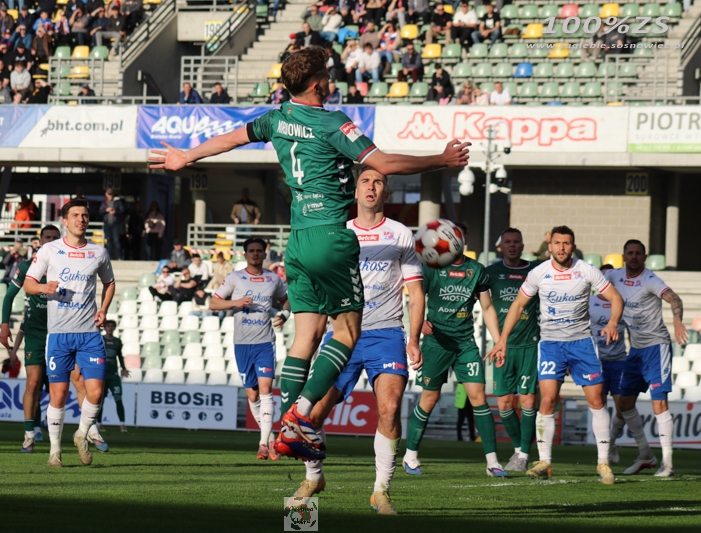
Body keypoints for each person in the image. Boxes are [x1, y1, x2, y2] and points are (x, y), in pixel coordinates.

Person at [149, 45, 469, 462]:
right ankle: (299, 416)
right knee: (348, 333)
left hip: (296, 242)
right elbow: (385, 164)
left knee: (306, 337)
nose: (332, 80)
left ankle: (287, 427)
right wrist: (441, 159)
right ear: (318, 84)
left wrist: (186, 155)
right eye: (328, 75)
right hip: (330, 237)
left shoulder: (277, 118)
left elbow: (231, 138)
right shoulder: (333, 123)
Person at [296, 167, 424, 514]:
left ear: (386, 193)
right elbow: (318, 287)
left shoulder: (400, 234)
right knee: (313, 413)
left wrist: (413, 339)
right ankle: (313, 478)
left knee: (390, 408)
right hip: (343, 333)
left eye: (378, 182)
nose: (371, 186)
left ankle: (381, 492)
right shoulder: (338, 232)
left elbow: (415, 292)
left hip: (387, 334)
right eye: (365, 181)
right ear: (355, 192)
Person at [487, 226, 624, 484]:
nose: (562, 248)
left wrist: (613, 322)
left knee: (597, 400)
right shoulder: (539, 273)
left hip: (581, 343)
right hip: (551, 344)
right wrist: (502, 339)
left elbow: (616, 298)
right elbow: (518, 305)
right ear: (550, 246)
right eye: (557, 243)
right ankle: (545, 463)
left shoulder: (586, 270)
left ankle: (603, 462)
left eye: (566, 243)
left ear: (573, 246)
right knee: (547, 400)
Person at [402, 222, 507, 478]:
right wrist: (419, 323)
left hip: (465, 343)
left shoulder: (476, 270)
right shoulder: (431, 268)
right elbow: (415, 300)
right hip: (436, 343)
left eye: (460, 236)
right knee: (429, 399)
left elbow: (488, 307)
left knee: (479, 398)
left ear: (464, 239)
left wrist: (499, 340)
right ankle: (410, 456)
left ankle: (493, 463)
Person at [23, 199, 116, 468]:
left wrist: (104, 309)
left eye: (84, 215)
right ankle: (55, 451)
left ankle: (81, 434)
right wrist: (44, 288)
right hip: (59, 334)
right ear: (65, 221)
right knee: (59, 393)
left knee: (95, 392)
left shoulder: (98, 252)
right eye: (75, 215)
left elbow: (109, 283)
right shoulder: (49, 249)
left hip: (89, 333)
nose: (81, 219)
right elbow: (29, 284)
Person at [605, 239, 689, 478]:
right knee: (624, 404)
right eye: (630, 253)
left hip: (656, 347)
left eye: (638, 253)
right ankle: (645, 455)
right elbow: (594, 277)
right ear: (624, 256)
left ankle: (668, 464)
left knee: (658, 403)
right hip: (635, 351)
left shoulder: (650, 279)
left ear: (645, 257)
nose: (633, 256)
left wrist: (677, 321)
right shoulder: (614, 276)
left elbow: (675, 299)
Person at [210, 237, 290, 461]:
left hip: (265, 342)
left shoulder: (273, 279)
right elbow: (213, 303)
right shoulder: (235, 277)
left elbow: (286, 300)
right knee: (252, 394)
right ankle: (270, 438)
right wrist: (234, 303)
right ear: (245, 254)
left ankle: (263, 445)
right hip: (242, 344)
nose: (255, 254)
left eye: (259, 250)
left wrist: (285, 313)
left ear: (265, 254)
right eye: (251, 250)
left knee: (266, 389)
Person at [485, 228, 540, 472]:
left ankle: (524, 455)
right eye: (508, 241)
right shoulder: (491, 272)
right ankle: (519, 450)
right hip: (502, 346)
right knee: (504, 403)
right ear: (501, 246)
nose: (512, 245)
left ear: (522, 245)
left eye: (516, 241)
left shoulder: (535, 271)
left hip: (529, 345)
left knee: (528, 400)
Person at [0, 225, 56, 451]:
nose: (50, 240)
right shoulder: (26, 267)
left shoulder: (65, 267)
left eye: (55, 238)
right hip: (34, 332)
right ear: (40, 241)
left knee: (58, 387)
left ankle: (57, 431)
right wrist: (4, 326)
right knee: (32, 383)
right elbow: (8, 297)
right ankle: (29, 434)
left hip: (59, 332)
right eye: (47, 237)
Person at [589, 264, 628, 466]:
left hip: (620, 361)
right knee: (600, 407)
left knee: (623, 408)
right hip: (598, 362)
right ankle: (603, 452)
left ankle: (611, 441)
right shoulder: (589, 303)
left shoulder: (621, 302)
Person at [97, 320, 129, 433]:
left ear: (114, 328)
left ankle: (122, 424)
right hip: (102, 375)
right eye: (108, 326)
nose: (110, 328)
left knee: (118, 399)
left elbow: (120, 356)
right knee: (100, 400)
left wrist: (124, 368)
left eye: (112, 326)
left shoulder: (117, 341)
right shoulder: (101, 339)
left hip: (114, 375)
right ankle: (99, 424)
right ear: (105, 327)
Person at [99, 188, 124, 260]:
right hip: (107, 223)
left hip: (115, 224)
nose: (110, 196)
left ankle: (119, 256)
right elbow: (100, 212)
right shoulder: (104, 202)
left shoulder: (117, 201)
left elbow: (122, 210)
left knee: (116, 240)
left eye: (111, 194)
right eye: (109, 194)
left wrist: (116, 212)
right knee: (109, 240)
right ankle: (110, 256)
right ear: (106, 194)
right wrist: (106, 210)